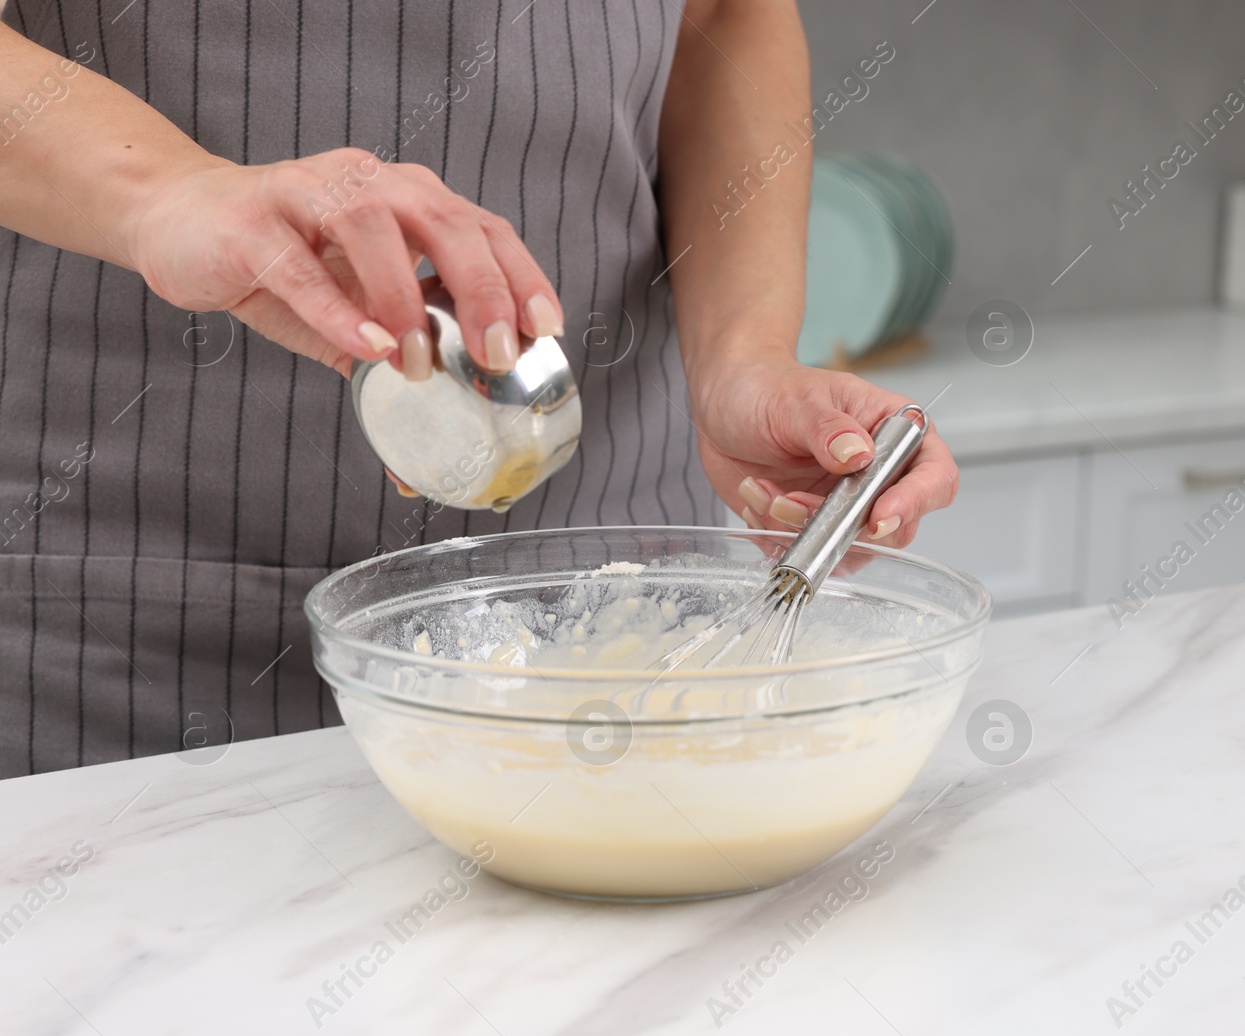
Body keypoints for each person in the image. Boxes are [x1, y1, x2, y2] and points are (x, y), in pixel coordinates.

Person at [0, 0, 959, 777]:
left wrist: (743, 356)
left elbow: (728, 17)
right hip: (112, 620)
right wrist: (165, 191)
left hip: (620, 596)